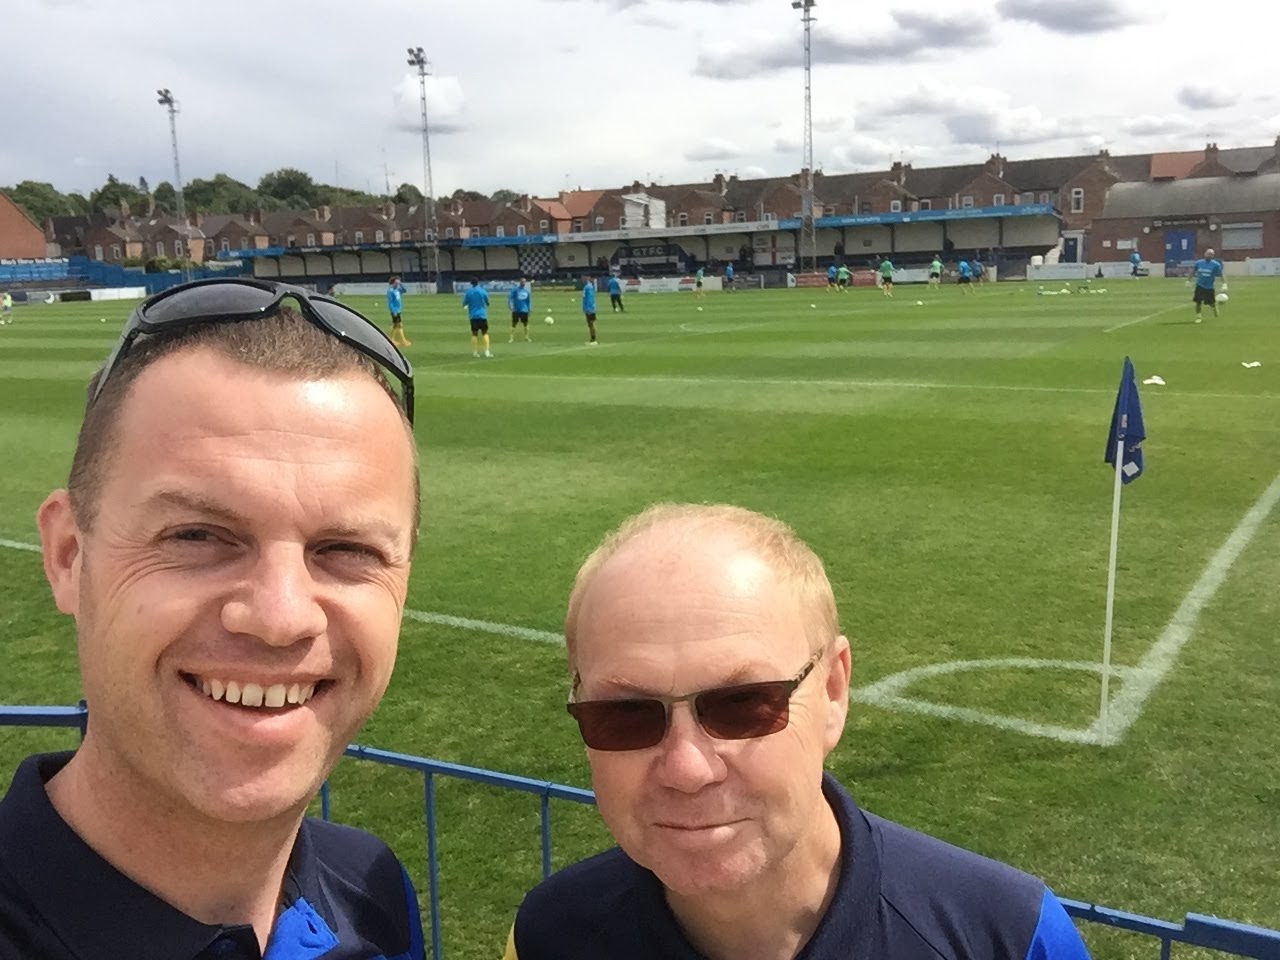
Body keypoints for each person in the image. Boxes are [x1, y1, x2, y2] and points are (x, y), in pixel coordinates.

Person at [1, 277, 425, 960]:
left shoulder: (373, 893)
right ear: (68, 557)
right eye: (197, 535)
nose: (280, 617)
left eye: (347, 549)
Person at [504, 504, 1091, 960]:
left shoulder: (1009, 938)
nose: (687, 767)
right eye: (625, 713)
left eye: (743, 704)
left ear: (834, 692)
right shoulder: (548, 935)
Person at [1191, 247, 1223, 322]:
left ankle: (1214, 307)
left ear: (1213, 256)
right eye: (1208, 254)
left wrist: (1224, 283)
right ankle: (1199, 317)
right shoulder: (1199, 263)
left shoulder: (1216, 265)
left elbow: (1221, 274)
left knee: (1210, 303)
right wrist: (1189, 280)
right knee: (1198, 302)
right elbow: (1194, 271)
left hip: (1209, 287)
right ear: (1205, 254)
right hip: (1199, 285)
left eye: (1211, 254)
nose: (1209, 255)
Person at [463, 277, 492, 356]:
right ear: (478, 282)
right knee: (485, 333)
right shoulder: (483, 291)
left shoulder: (468, 292)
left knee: (474, 334)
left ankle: (475, 352)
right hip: (482, 315)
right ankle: (487, 351)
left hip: (473, 315)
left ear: (471, 283)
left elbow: (464, 303)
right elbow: (488, 303)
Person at [386, 275, 410, 347]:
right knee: (399, 325)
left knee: (395, 325)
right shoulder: (390, 291)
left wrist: (400, 284)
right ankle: (403, 340)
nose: (398, 283)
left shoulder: (397, 290)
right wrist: (393, 311)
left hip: (398, 309)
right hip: (395, 310)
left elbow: (405, 290)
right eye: (397, 282)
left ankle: (390, 339)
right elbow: (390, 302)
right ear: (394, 282)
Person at [508, 277, 533, 342]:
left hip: (524, 310)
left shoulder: (526, 292)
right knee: (514, 324)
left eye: (524, 282)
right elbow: (510, 298)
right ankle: (511, 338)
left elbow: (528, 301)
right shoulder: (515, 290)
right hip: (516, 310)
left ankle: (526, 337)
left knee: (526, 324)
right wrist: (510, 305)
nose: (523, 283)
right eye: (522, 282)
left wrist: (530, 309)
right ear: (520, 282)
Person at [582, 275, 599, 345]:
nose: (582, 279)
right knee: (590, 324)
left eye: (583, 278)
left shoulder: (588, 287)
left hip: (589, 308)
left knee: (591, 324)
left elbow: (589, 298)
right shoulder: (589, 286)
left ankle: (593, 339)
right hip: (589, 308)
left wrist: (589, 308)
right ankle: (592, 339)